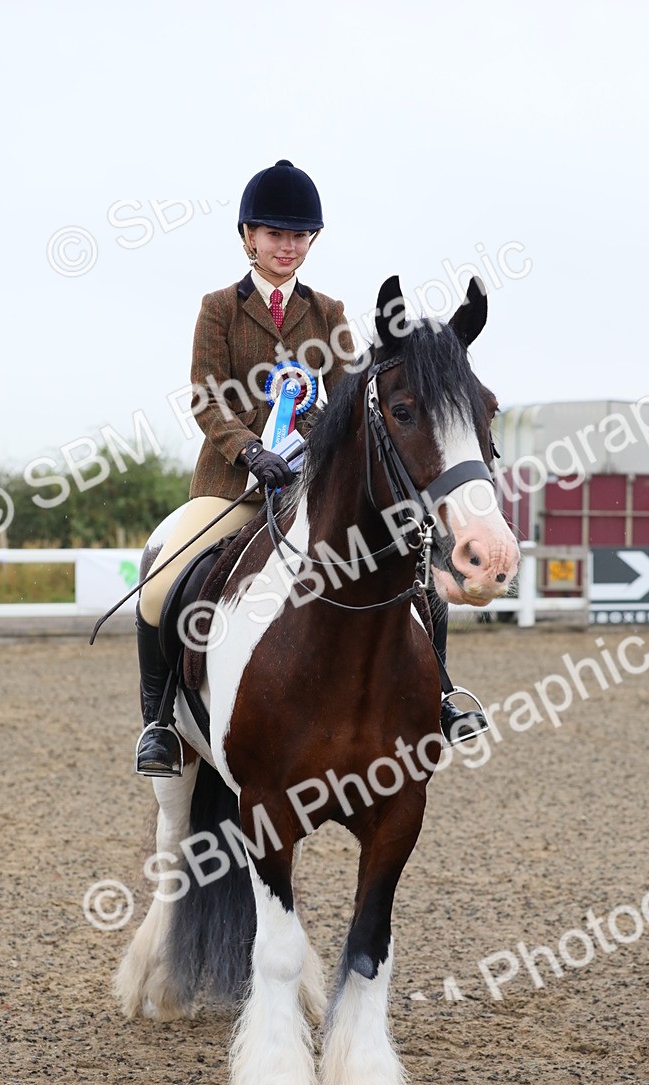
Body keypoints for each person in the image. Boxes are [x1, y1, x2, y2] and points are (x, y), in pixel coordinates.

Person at [133, 159, 487, 777]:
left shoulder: (328, 310)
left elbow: (352, 394)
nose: (287, 246)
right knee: (164, 581)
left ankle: (443, 693)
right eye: (275, 234)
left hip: (311, 481)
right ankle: (160, 723)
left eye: (298, 236)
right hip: (232, 482)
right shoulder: (218, 308)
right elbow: (205, 396)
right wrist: (248, 449)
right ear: (248, 236)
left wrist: (316, 436)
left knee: (415, 572)